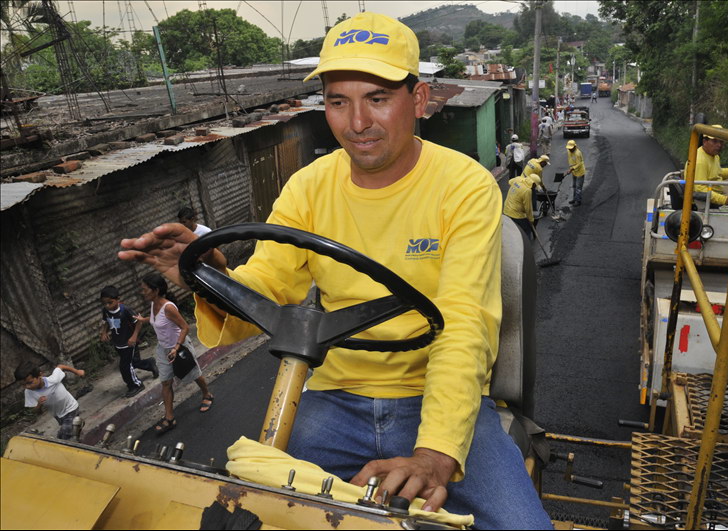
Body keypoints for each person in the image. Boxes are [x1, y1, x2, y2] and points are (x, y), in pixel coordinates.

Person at [119, 12, 551, 529]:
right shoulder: (308, 186)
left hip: (433, 396)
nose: (357, 123)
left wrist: (436, 452)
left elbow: (463, 323)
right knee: (258, 517)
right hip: (331, 399)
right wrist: (204, 278)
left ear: (417, 101)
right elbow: (266, 292)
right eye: (337, 101)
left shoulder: (464, 186)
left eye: (377, 98)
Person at [134, 272, 214, 434]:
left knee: (193, 374)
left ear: (155, 290)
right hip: (163, 349)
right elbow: (155, 320)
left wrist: (176, 348)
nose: (142, 293)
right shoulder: (153, 304)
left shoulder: (168, 307)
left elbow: (185, 327)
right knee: (166, 382)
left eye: (145, 289)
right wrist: (143, 320)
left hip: (179, 347)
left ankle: (207, 394)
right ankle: (169, 418)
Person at [99, 285, 158, 397]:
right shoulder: (106, 311)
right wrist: (104, 332)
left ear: (118, 299)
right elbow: (106, 321)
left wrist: (134, 337)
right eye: (104, 303)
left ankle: (135, 385)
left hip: (129, 343)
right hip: (118, 343)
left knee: (125, 366)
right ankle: (149, 363)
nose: (107, 306)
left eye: (110, 302)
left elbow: (138, 322)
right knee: (133, 362)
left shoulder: (125, 310)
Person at [15, 361, 85, 440]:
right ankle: (77, 427)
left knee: (65, 435)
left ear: (40, 375)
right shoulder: (29, 392)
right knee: (69, 429)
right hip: (58, 414)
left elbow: (60, 366)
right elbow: (34, 411)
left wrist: (77, 371)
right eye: (23, 385)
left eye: (29, 383)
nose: (27, 386)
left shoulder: (53, 379)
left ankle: (67, 434)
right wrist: (39, 404)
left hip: (71, 408)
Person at [686, 124, 728, 207]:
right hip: (703, 203)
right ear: (704, 141)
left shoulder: (714, 156)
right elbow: (700, 189)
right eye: (714, 141)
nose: (719, 145)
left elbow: (719, 173)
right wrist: (724, 200)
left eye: (721, 142)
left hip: (713, 198)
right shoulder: (699, 161)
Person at [566, 139, 586, 206]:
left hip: (580, 172)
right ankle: (574, 199)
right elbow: (570, 160)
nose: (570, 150)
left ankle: (578, 201)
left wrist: (571, 169)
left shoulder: (577, 153)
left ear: (575, 146)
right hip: (574, 172)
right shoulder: (568, 151)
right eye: (569, 148)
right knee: (574, 186)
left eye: (571, 148)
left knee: (578, 187)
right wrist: (571, 169)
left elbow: (579, 164)